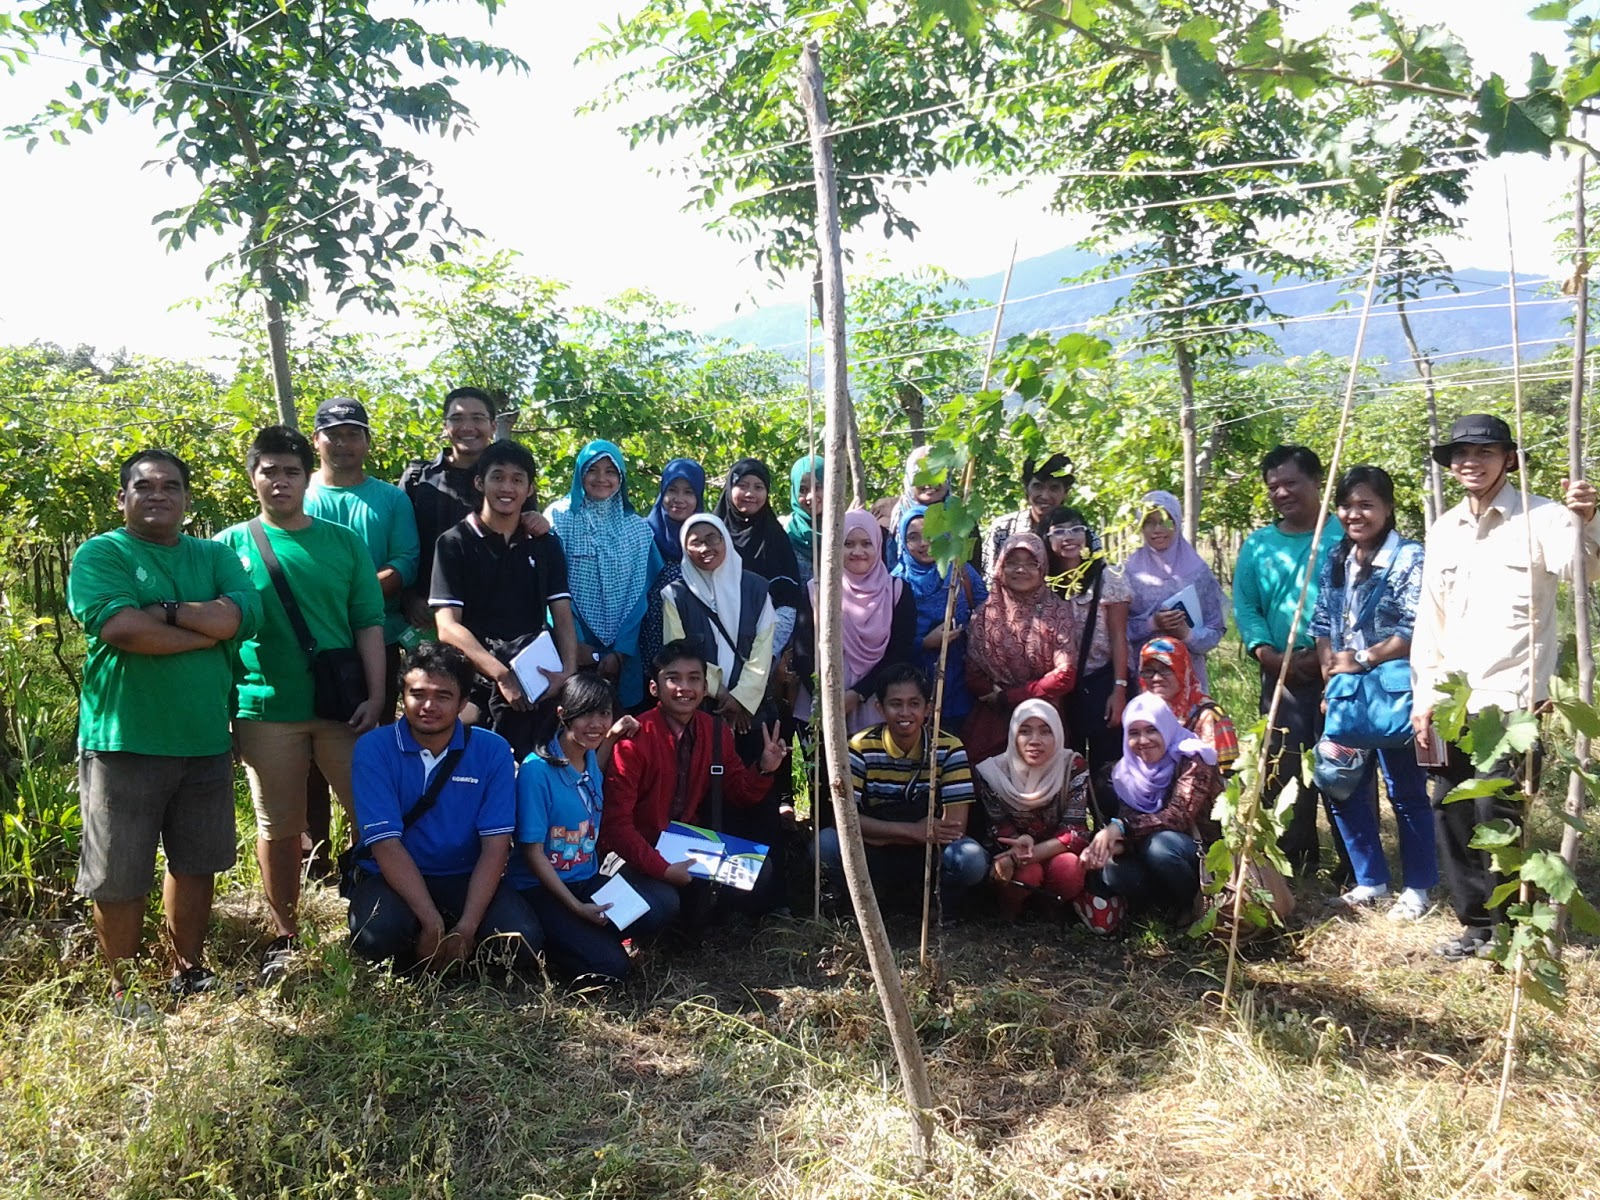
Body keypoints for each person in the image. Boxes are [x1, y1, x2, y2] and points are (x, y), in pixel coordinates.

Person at [67, 449, 261, 1013]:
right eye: (144, 486)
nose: (158, 495)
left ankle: (188, 970)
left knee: (197, 862)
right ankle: (124, 989)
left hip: (203, 737)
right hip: (125, 739)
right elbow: (124, 629)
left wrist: (167, 610)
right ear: (122, 497)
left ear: (187, 499)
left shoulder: (215, 554)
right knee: (119, 873)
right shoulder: (103, 552)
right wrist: (207, 631)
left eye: (170, 486)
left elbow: (239, 618)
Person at [1411, 414, 1600, 959]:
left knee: (1499, 813)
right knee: (1450, 808)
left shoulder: (1543, 518)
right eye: (1460, 454)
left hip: (1515, 702)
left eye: (1485, 452)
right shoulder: (1444, 529)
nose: (1471, 462)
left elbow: (1584, 573)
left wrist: (1588, 520)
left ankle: (1512, 928)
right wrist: (1424, 697)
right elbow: (1432, 621)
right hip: (1453, 701)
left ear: (1509, 458)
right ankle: (1475, 925)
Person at [215, 425, 388, 981]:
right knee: (279, 826)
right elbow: (219, 636)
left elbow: (368, 623)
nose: (280, 480)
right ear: (253, 477)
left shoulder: (342, 542)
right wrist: (226, 709)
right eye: (269, 470)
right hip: (266, 708)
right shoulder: (227, 547)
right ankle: (285, 932)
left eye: (291, 471)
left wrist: (378, 696)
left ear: (306, 477)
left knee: (372, 816)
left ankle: (378, 918)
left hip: (343, 707)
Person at [346, 643, 543, 971]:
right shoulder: (373, 749)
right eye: (417, 693)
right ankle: (422, 946)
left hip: (464, 874)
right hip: (392, 875)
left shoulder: (491, 750)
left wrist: (466, 926)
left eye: (443, 696)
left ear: (463, 702)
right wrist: (432, 923)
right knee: (376, 938)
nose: (428, 706)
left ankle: (454, 947)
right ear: (402, 696)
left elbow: (495, 847)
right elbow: (385, 844)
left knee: (522, 942)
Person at [1308, 465, 1435, 919]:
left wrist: (1363, 659)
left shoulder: (1410, 558)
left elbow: (1415, 626)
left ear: (1388, 508)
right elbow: (1322, 621)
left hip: (1394, 692)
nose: (1355, 514)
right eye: (1347, 505)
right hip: (1347, 691)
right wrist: (1331, 673)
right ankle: (1370, 880)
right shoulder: (1336, 560)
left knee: (1406, 789)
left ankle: (1419, 886)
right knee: (1341, 783)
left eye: (1366, 504)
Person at [302, 397, 421, 876]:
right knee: (306, 748)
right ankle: (314, 858)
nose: (344, 442)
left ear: (368, 442)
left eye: (354, 433)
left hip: (376, 639)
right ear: (317, 441)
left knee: (365, 745)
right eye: (334, 433)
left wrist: (348, 596)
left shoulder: (391, 499)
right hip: (305, 644)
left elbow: (407, 561)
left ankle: (367, 852)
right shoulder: (299, 493)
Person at [600, 641, 789, 923]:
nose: (684, 688)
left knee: (758, 871)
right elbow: (617, 827)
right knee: (664, 904)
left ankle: (701, 911)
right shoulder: (635, 737)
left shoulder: (715, 731)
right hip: (635, 847)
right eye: (673, 678)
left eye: (694, 679)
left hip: (683, 842)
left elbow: (738, 791)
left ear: (704, 688)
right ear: (655, 688)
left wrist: (763, 769)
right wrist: (663, 869)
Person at [1232, 444, 1346, 882]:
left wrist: (1329, 659)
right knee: (1284, 764)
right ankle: (1296, 856)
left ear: (1317, 481)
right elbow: (1246, 606)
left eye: (1291, 483)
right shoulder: (1259, 546)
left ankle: (1352, 860)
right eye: (1273, 486)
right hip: (1280, 672)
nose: (1281, 493)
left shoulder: (1343, 536)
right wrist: (1267, 653)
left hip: (1337, 672)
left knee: (1340, 763)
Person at [512, 675, 672, 982]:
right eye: (586, 713)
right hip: (543, 890)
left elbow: (594, 768)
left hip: (585, 879)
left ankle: (582, 936)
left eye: (604, 713)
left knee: (658, 909)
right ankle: (556, 944)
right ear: (563, 714)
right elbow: (533, 853)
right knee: (613, 969)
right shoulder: (536, 772)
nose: (596, 723)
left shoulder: (588, 757)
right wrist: (575, 907)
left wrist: (612, 736)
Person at [430, 439, 579, 759]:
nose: (507, 487)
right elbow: (447, 627)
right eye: (498, 477)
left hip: (536, 682)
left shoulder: (545, 544)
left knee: (533, 778)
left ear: (529, 488)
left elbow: (563, 615)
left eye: (517, 479)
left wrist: (566, 674)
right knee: (474, 777)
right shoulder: (454, 543)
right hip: (475, 683)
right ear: (480, 482)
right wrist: (500, 675)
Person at [813, 664, 988, 913]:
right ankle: (859, 902)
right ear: (880, 708)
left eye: (914, 704)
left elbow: (954, 829)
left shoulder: (949, 749)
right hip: (878, 851)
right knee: (827, 845)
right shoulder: (860, 748)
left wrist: (878, 831)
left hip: (927, 853)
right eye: (895, 704)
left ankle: (940, 907)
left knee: (971, 859)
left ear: (928, 709)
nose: (905, 713)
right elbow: (842, 820)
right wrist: (915, 831)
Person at [400, 387, 547, 628]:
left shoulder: (510, 482)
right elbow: (403, 546)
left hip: (496, 617)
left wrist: (539, 522)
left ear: (492, 426)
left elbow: (527, 538)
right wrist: (409, 598)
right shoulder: (419, 480)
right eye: (457, 418)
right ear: (445, 426)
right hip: (430, 614)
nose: (467, 427)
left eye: (478, 418)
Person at [1082, 692, 1223, 923]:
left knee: (1160, 847)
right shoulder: (1125, 772)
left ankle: (1193, 905)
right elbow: (1132, 826)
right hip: (1151, 850)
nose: (1143, 740)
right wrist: (1113, 846)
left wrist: (1121, 827)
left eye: (1152, 730)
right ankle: (1160, 906)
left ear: (1166, 727)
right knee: (1112, 869)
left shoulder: (1192, 757)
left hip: (1201, 851)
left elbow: (1179, 817)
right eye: (1134, 733)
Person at [545, 440, 660, 710]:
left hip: (624, 652)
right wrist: (576, 643)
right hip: (572, 647)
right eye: (592, 470)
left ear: (621, 477)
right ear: (579, 473)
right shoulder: (559, 517)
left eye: (611, 471)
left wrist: (620, 650)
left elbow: (640, 593)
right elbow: (552, 587)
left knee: (619, 725)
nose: (601, 478)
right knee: (575, 718)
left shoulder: (638, 529)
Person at [963, 533, 1080, 765]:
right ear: (1000, 566)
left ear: (1042, 568)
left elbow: (1065, 674)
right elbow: (972, 671)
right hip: (994, 715)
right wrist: (997, 698)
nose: (1020, 570)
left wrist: (1014, 697)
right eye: (1012, 562)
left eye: (1030, 563)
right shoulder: (985, 614)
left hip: (1042, 714)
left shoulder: (1057, 612)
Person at [801, 509, 918, 735]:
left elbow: (899, 652)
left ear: (878, 545)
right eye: (848, 543)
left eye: (866, 543)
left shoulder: (897, 592)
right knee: (822, 769)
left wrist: (858, 693)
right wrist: (826, 697)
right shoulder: (817, 590)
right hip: (823, 703)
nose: (858, 552)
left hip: (877, 703)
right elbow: (803, 651)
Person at [976, 700, 1092, 921]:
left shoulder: (1072, 766)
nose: (1035, 741)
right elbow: (998, 829)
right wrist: (1017, 846)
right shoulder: (993, 773)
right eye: (1025, 732)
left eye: (1045, 731)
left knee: (1067, 868)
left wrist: (1023, 856)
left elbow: (1076, 831)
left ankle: (1051, 909)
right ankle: (1011, 910)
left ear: (1058, 734)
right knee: (1028, 873)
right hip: (1011, 853)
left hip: (1051, 852)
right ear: (1013, 736)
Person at [1045, 507, 1131, 772]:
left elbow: (1119, 636)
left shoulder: (1108, 578)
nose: (1068, 537)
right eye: (1058, 531)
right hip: (1060, 689)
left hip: (1100, 682)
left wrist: (1119, 689)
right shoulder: (1044, 583)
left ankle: (1107, 814)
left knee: (1106, 766)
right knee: (1068, 765)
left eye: (1075, 529)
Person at [893, 503, 988, 736]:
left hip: (962, 683)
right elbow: (888, 641)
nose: (923, 544)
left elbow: (988, 613)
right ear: (902, 542)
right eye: (913, 537)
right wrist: (925, 642)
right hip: (913, 690)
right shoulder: (895, 582)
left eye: (930, 535)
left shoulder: (960, 571)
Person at [1124, 490, 1228, 691]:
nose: (1157, 529)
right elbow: (1117, 631)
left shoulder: (1197, 572)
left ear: (1178, 522)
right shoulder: (1128, 572)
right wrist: (1152, 624)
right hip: (1144, 675)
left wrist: (1186, 634)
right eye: (1149, 522)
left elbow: (1216, 628)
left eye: (1165, 521)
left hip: (1189, 676)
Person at [641, 457, 707, 675]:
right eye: (672, 490)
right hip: (644, 639)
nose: (678, 499)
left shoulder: (708, 537)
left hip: (692, 640)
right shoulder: (643, 534)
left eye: (688, 492)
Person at [1136, 636, 1239, 771]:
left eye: (1166, 669)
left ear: (1182, 670)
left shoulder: (1209, 715)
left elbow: (1224, 774)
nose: (1156, 678)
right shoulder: (1139, 712)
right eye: (1148, 671)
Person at [980, 452, 1074, 576]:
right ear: (1026, 489)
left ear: (1065, 492)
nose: (1045, 496)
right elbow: (988, 577)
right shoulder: (1003, 528)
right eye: (1037, 486)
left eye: (1054, 488)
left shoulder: (1078, 532)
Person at [785, 454, 824, 586]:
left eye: (818, 487)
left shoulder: (847, 529)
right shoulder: (784, 532)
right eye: (803, 490)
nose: (811, 496)